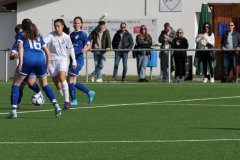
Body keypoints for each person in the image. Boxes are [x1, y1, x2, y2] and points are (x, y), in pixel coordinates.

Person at [6, 18, 61, 119]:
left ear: (22, 27)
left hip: (28, 59)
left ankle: (13, 111)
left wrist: (21, 62)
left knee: (15, 84)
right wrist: (47, 68)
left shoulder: (20, 35)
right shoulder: (38, 36)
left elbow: (21, 48)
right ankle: (56, 105)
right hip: (40, 59)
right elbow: (48, 53)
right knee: (45, 85)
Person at [44, 19, 77, 110]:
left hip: (62, 60)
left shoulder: (66, 37)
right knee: (57, 84)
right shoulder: (50, 35)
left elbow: (70, 49)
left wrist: (74, 61)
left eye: (58, 26)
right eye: (55, 26)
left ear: (62, 26)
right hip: (52, 61)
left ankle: (66, 101)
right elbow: (42, 43)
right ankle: (66, 101)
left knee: (62, 78)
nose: (57, 28)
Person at [10, 24, 45, 109]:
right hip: (24, 67)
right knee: (20, 86)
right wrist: (14, 56)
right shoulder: (17, 43)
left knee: (30, 83)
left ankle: (40, 94)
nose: (21, 34)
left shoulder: (32, 39)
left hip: (33, 66)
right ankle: (16, 104)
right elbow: (11, 56)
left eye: (22, 31)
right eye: (19, 33)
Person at [68, 16, 95, 106]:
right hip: (72, 60)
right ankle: (89, 92)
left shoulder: (83, 34)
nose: (76, 24)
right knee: (73, 82)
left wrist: (85, 49)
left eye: (78, 23)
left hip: (78, 60)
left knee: (70, 80)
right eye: (75, 23)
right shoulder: (71, 34)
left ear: (81, 24)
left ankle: (74, 100)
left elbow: (89, 45)